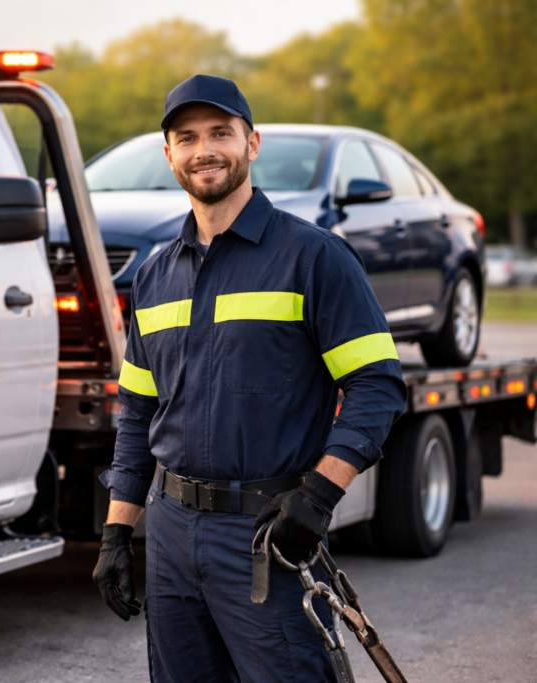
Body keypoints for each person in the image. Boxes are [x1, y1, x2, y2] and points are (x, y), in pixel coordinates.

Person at [92, 74, 408, 682]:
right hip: (172, 534)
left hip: (266, 535)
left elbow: (378, 387)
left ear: (252, 143)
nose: (203, 149)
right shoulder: (155, 278)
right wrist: (116, 534)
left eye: (220, 133)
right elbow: (137, 415)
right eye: (186, 138)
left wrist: (317, 496)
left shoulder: (314, 257)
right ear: (169, 155)